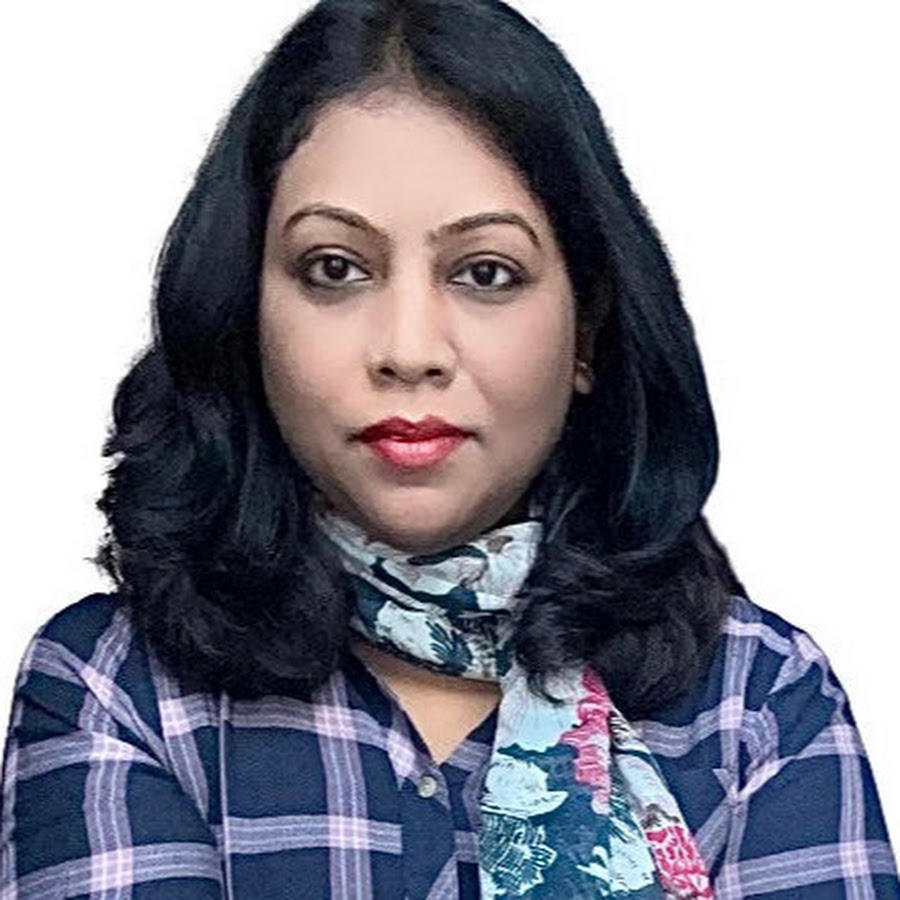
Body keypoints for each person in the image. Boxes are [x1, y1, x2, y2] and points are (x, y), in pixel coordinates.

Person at [1, 0, 897, 897]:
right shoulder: (115, 685)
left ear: (587, 332)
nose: (409, 349)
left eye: (485, 273)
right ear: (245, 318)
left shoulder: (758, 700)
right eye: (334, 269)